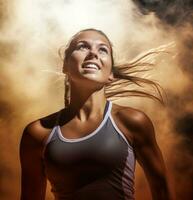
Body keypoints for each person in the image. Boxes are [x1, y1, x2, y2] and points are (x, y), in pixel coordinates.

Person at [19, 28, 174, 200]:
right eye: (82, 46)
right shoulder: (37, 133)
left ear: (111, 75)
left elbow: (162, 191)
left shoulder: (132, 121)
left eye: (102, 49)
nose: (93, 53)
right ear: (65, 66)